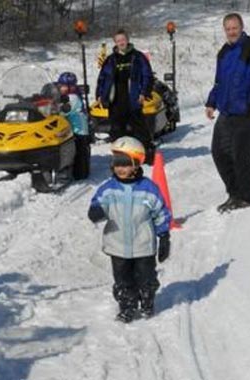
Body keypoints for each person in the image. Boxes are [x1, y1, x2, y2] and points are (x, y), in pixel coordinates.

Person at [88, 136, 172, 323]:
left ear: (136, 164)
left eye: (126, 164)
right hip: (117, 245)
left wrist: (164, 236)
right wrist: (96, 211)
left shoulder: (148, 189)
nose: (120, 168)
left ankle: (147, 299)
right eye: (117, 163)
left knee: (146, 277)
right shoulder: (108, 188)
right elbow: (97, 203)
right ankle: (127, 306)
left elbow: (161, 213)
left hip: (143, 245)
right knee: (123, 280)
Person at [205, 13, 250, 213]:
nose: (231, 31)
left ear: (241, 26)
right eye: (228, 28)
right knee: (219, 153)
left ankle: (249, 197)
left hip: (247, 112)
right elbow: (219, 82)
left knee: (241, 156)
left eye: (234, 27)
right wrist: (211, 103)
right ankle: (235, 193)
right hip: (226, 112)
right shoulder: (224, 53)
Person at [96, 29, 155, 164]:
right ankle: (121, 157)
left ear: (127, 40)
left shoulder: (138, 57)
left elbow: (147, 76)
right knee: (117, 130)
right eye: (118, 41)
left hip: (133, 99)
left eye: (123, 40)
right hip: (116, 100)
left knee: (140, 129)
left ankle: (148, 155)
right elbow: (103, 78)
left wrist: (144, 93)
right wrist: (100, 94)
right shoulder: (111, 59)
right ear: (115, 43)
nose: (121, 43)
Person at [57, 72, 91, 180]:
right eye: (63, 86)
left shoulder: (74, 98)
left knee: (80, 152)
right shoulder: (60, 97)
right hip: (67, 129)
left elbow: (65, 110)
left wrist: (56, 109)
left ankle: (82, 171)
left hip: (78, 130)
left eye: (70, 86)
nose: (66, 88)